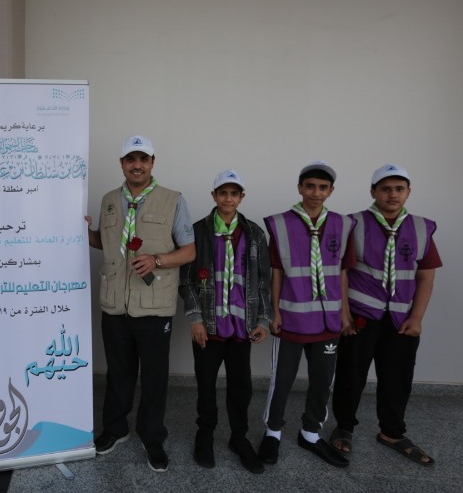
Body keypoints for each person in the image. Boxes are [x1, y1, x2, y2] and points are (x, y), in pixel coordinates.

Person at [85, 135, 195, 472]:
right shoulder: (108, 200)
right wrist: (83, 233)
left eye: (143, 159)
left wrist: (157, 260)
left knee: (154, 377)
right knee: (118, 372)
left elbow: (189, 251)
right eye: (130, 159)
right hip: (114, 304)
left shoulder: (172, 199)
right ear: (122, 164)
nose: (137, 165)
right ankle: (115, 429)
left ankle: (152, 436)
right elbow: (108, 243)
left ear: (152, 163)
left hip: (154, 306)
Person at [331, 164, 440, 466]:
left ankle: (392, 432)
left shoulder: (421, 227)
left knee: (397, 377)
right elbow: (339, 271)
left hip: (401, 319)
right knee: (351, 375)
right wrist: (343, 315)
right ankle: (343, 427)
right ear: (373, 191)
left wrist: (417, 318)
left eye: (399, 189)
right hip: (360, 316)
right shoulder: (352, 224)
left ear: (408, 192)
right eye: (386, 189)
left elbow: (426, 276)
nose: (393, 194)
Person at [259, 161, 356, 468]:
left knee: (322, 381)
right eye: (310, 186)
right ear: (300, 188)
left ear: (331, 191)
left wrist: (345, 313)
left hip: (328, 321)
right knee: (281, 380)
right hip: (291, 317)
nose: (316, 192)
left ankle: (311, 433)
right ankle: (272, 432)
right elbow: (276, 272)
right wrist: (274, 312)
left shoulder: (343, 225)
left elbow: (342, 272)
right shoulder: (281, 224)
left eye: (323, 187)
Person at [179, 169, 271, 474]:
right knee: (206, 385)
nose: (228, 199)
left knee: (241, 387)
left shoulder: (255, 234)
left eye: (234, 193)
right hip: (209, 327)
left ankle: (238, 437)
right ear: (214, 195)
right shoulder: (198, 232)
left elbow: (263, 281)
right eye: (223, 193)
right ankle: (205, 434)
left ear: (241, 197)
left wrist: (262, 320)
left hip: (241, 328)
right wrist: (195, 318)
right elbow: (187, 280)